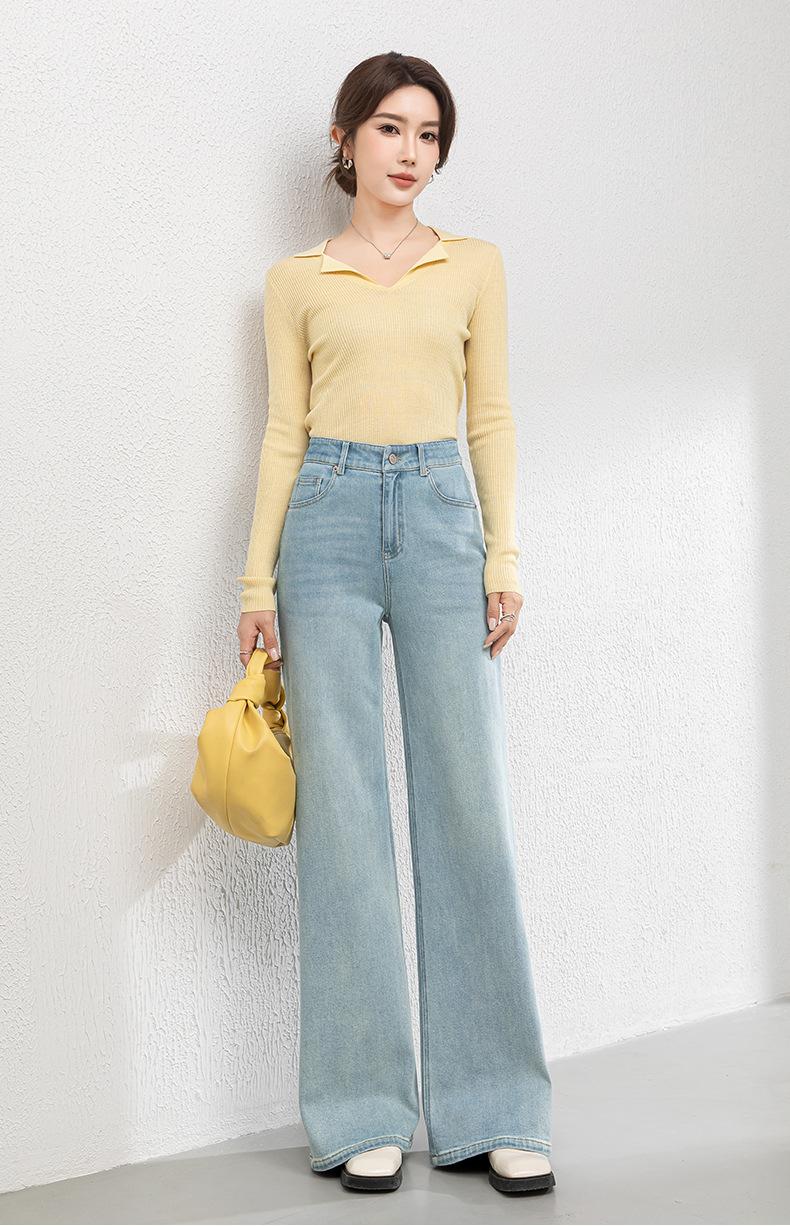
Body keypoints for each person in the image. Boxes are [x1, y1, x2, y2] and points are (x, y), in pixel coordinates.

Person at [236, 51, 555, 1197]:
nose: (410, 151)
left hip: (438, 516)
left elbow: (492, 415)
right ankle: (362, 1107)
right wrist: (255, 582)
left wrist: (503, 555)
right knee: (345, 817)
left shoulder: (474, 265)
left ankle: (496, 1107)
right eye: (388, 128)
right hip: (321, 523)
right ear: (345, 140)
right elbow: (283, 430)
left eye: (427, 133)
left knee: (467, 803)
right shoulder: (296, 279)